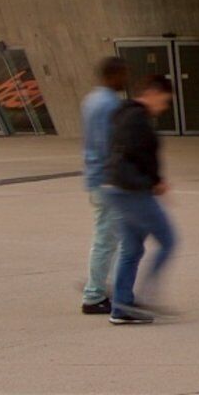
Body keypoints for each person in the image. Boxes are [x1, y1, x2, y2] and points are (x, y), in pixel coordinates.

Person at [105, 74, 178, 325]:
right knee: (168, 241)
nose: (164, 107)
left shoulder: (122, 114)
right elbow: (141, 154)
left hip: (117, 188)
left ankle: (121, 306)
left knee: (132, 248)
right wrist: (156, 181)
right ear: (153, 92)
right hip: (133, 190)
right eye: (165, 101)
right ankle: (144, 298)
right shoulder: (139, 119)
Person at [76, 55, 132, 316]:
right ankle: (95, 295)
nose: (126, 79)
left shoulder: (92, 99)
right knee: (109, 239)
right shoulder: (109, 104)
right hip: (109, 181)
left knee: (109, 237)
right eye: (123, 74)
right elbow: (109, 145)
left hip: (97, 178)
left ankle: (100, 290)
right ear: (113, 75)